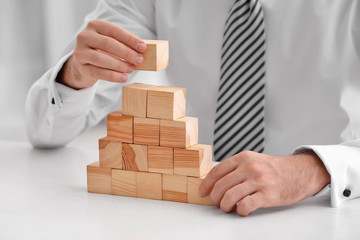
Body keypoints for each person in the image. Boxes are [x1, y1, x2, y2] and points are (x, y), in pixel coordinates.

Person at [26, 0, 360, 216]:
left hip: (327, 210)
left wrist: (315, 169)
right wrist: (73, 75)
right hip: (197, 211)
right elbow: (46, 131)